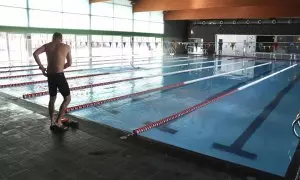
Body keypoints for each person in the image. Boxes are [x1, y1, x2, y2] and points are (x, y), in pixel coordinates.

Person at [33, 32, 72, 131]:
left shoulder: (47, 46)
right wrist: (61, 68)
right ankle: (58, 122)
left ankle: (52, 122)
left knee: (52, 99)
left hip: (50, 76)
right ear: (61, 38)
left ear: (53, 38)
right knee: (67, 99)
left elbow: (35, 53)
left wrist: (42, 67)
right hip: (59, 75)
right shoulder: (66, 46)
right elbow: (69, 63)